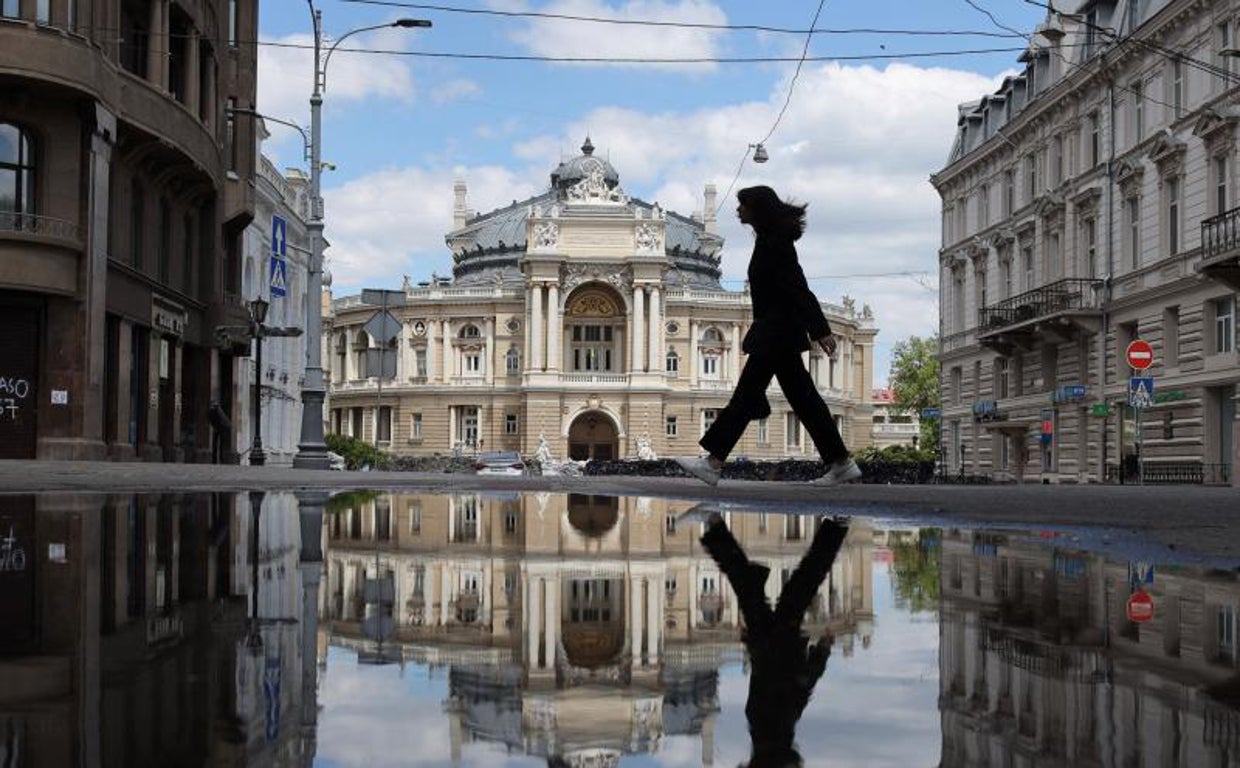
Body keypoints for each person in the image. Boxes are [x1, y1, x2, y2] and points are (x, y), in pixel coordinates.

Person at [675, 185, 861, 487]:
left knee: (753, 395)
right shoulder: (770, 239)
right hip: (777, 331)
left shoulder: (775, 243)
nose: (738, 210)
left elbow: (797, 285)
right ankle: (840, 461)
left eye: (742, 205)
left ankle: (713, 462)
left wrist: (821, 328)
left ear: (757, 208)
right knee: (801, 399)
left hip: (777, 332)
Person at [698, 511, 848, 767]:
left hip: (777, 645)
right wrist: (820, 652)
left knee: (799, 581)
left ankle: (836, 527)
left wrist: (821, 651)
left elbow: (801, 684)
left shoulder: (778, 730)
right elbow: (796, 684)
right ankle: (714, 526)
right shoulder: (767, 728)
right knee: (781, 583)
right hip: (774, 643)